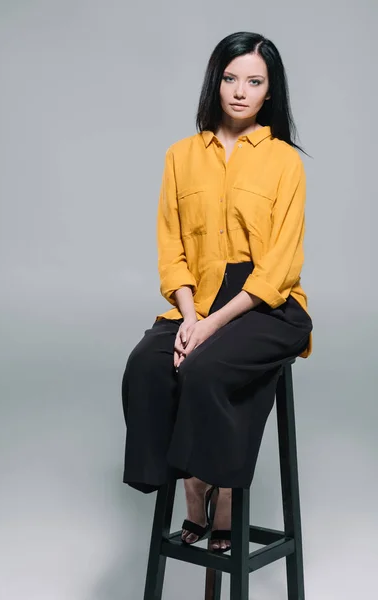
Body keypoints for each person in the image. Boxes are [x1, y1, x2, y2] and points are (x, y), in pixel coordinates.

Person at [121, 31, 313, 553]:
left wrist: (207, 327)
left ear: (269, 92)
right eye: (231, 78)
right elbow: (171, 248)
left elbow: (279, 265)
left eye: (255, 81)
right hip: (195, 299)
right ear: (216, 81)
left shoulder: (284, 161)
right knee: (146, 365)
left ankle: (218, 490)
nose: (240, 91)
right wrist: (188, 318)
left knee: (207, 367)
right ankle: (188, 479)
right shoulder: (181, 156)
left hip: (265, 304)